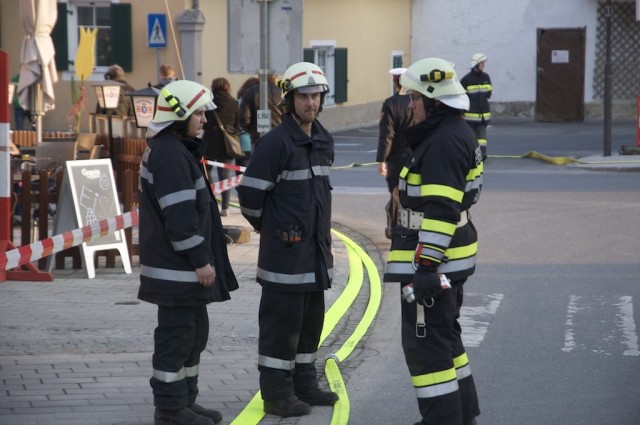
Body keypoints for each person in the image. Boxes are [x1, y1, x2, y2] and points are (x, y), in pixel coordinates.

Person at [383, 57, 483, 425]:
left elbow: (440, 211)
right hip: (449, 260)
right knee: (447, 341)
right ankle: (461, 416)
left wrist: (425, 267)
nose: (409, 105)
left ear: (433, 100)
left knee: (428, 351)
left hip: (433, 265)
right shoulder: (453, 133)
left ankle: (442, 420)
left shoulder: (442, 142)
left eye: (414, 98)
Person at [236, 62, 339, 418]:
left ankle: (304, 383)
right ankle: (277, 394)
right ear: (290, 99)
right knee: (281, 330)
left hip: (315, 256)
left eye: (315, 96)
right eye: (304, 96)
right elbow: (249, 197)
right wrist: (275, 229)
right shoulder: (275, 144)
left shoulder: (323, 140)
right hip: (285, 258)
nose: (311, 102)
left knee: (310, 325)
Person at [137, 80, 239, 425]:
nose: (204, 120)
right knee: (177, 337)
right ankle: (169, 409)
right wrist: (200, 260)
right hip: (178, 270)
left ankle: (185, 401)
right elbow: (180, 219)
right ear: (179, 115)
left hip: (180, 270)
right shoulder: (170, 155)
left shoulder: (175, 149)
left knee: (194, 335)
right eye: (198, 113)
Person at [376, 67, 414, 240]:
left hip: (396, 157)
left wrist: (382, 160)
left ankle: (395, 229)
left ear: (395, 83)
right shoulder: (417, 101)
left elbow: (387, 135)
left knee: (396, 193)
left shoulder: (390, 104)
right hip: (415, 155)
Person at [202, 77, 239, 217]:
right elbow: (237, 123)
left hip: (210, 141)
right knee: (225, 176)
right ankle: (225, 208)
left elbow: (204, 122)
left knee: (207, 171)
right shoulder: (233, 102)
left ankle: (213, 203)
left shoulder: (208, 102)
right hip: (226, 142)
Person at [460, 53, 492, 160]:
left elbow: (488, 94)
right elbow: (461, 98)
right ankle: (468, 155)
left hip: (483, 116)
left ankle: (482, 155)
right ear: (476, 64)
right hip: (470, 117)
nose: (484, 65)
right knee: (469, 137)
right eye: (482, 63)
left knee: (482, 138)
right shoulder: (466, 80)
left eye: (483, 63)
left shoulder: (486, 77)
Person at [238, 73, 283, 148]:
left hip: (257, 139)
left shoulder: (251, 92)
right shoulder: (283, 92)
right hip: (280, 137)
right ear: (275, 77)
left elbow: (244, 118)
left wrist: (251, 130)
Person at [235, 77, 260, 166]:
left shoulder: (237, 102)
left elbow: (241, 121)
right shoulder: (262, 103)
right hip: (257, 141)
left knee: (241, 175)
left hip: (241, 143)